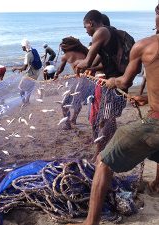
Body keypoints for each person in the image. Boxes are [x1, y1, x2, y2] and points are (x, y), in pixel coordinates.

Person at [69, 5, 159, 225]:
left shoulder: (147, 45)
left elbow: (124, 81)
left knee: (103, 162)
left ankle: (91, 222)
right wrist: (146, 98)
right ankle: (156, 184)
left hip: (156, 122)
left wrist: (111, 81)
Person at [75, 10, 128, 161]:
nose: (86, 31)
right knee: (107, 118)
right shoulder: (110, 33)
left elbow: (88, 61)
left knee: (107, 118)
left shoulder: (101, 32)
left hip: (113, 84)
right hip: (116, 83)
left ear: (90, 23)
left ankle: (99, 154)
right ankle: (107, 147)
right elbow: (97, 60)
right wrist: (88, 68)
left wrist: (78, 65)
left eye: (86, 27)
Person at [54, 36, 94, 129]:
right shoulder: (85, 52)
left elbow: (60, 69)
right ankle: (73, 119)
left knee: (65, 103)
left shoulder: (65, 56)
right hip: (88, 82)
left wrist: (56, 75)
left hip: (81, 82)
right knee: (77, 102)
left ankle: (68, 123)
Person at [12, 39, 41, 106]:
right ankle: (27, 101)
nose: (21, 47)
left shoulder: (28, 55)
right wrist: (21, 69)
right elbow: (32, 63)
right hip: (36, 73)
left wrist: (16, 68)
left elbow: (24, 67)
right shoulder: (34, 51)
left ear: (25, 46)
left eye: (22, 46)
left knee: (20, 88)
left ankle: (24, 102)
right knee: (30, 88)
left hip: (30, 75)